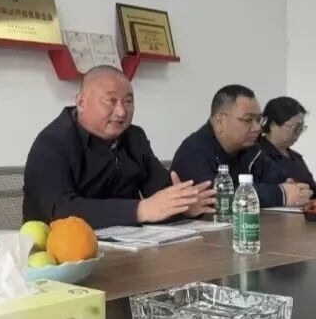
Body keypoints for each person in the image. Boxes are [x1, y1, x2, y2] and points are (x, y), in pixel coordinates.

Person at [22, 66, 215, 229]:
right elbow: (61, 210)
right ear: (81, 102)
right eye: (111, 101)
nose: (122, 112)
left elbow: (158, 198)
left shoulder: (135, 138)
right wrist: (139, 210)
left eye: (128, 101)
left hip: (129, 248)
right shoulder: (52, 143)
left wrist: (183, 206)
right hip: (60, 251)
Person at [171, 85, 312, 208]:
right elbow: (218, 199)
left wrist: (295, 190)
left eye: (259, 120)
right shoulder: (193, 152)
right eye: (248, 120)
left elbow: (284, 182)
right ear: (219, 122)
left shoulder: (251, 149)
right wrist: (279, 194)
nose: (257, 128)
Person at [259, 97, 316, 199]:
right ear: (273, 125)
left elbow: (315, 193)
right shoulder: (256, 155)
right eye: (295, 127)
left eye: (301, 128)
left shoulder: (296, 158)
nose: (298, 133)